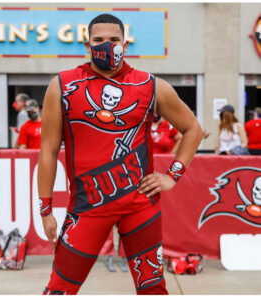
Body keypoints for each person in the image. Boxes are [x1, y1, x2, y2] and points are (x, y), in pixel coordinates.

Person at [38, 14, 202, 295]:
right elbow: (49, 151)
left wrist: (172, 176)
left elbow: (193, 129)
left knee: (153, 289)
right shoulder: (63, 85)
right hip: (86, 208)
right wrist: (46, 210)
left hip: (140, 206)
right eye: (98, 40)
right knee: (59, 289)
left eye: (113, 40)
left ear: (125, 45)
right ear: (87, 46)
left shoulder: (151, 86)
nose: (106, 45)